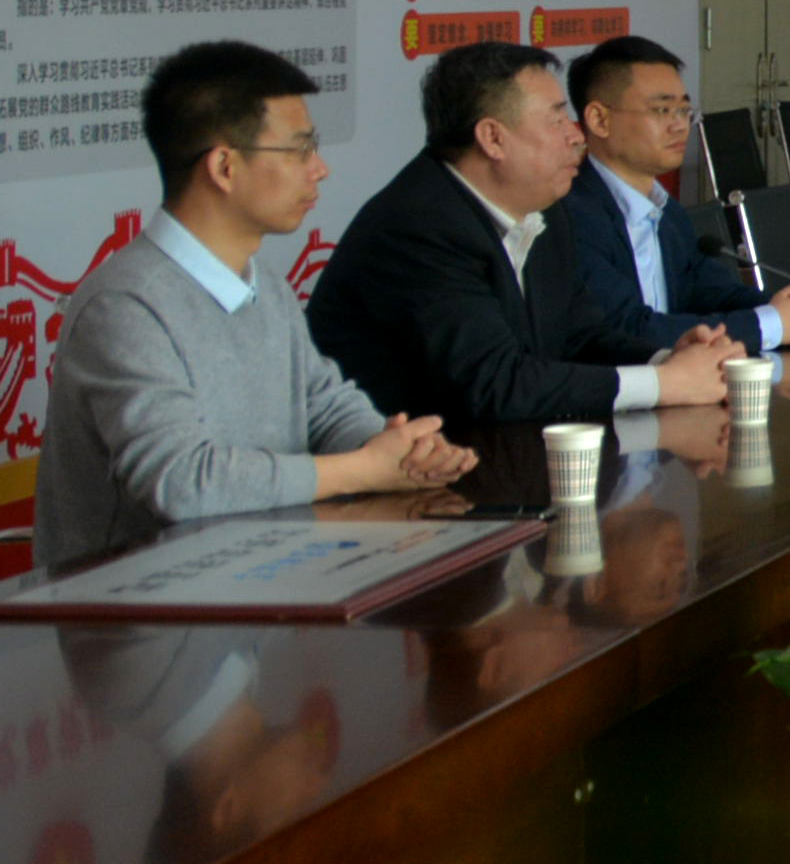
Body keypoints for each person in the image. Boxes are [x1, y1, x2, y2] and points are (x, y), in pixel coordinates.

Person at [32, 40, 474, 571]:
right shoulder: (124, 306)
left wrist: (398, 448)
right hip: (134, 603)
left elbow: (322, 405)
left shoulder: (263, 283)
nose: (320, 169)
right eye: (300, 150)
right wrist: (363, 470)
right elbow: (181, 483)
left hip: (261, 573)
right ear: (224, 166)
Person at [308, 42, 743, 429]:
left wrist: (666, 358)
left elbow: (580, 335)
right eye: (556, 120)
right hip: (402, 473)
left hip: (503, 457)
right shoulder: (421, 228)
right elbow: (495, 384)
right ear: (493, 138)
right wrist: (664, 383)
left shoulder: (543, 208)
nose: (576, 135)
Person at [551, 35, 790, 361]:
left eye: (684, 110)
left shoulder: (667, 212)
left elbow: (711, 291)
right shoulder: (569, 216)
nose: (679, 126)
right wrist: (771, 323)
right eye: (662, 110)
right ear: (599, 120)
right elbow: (627, 330)